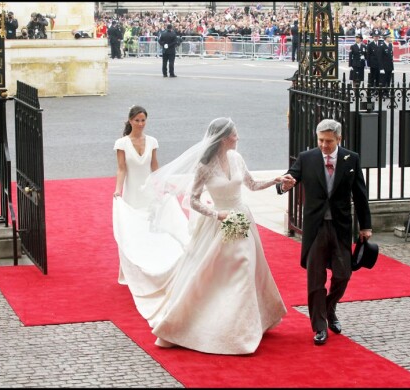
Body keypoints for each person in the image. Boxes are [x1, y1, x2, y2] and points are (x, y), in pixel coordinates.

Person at [114, 117, 289, 355]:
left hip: (243, 222)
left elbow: (252, 184)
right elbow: (192, 200)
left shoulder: (237, 159)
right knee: (211, 275)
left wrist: (275, 180)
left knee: (247, 268)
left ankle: (245, 326)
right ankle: (205, 322)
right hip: (219, 222)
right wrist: (218, 214)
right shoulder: (204, 167)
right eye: (234, 135)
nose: (237, 138)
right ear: (223, 138)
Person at [277, 119, 372, 346]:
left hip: (340, 227)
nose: (323, 145)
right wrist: (283, 185)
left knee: (343, 274)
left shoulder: (352, 159)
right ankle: (319, 327)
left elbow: (360, 195)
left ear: (339, 139)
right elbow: (288, 179)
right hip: (315, 228)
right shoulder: (306, 158)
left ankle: (329, 308)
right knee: (315, 280)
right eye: (320, 140)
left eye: (328, 141)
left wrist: (365, 226)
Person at [113, 105, 159, 283]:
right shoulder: (121, 143)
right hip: (131, 193)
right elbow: (121, 169)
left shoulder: (153, 141)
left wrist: (160, 186)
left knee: (149, 230)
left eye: (143, 120)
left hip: (149, 193)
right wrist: (118, 189)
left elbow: (154, 166)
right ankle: (130, 272)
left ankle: (148, 267)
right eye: (137, 120)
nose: (140, 124)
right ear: (130, 121)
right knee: (132, 232)